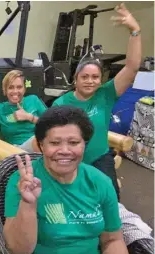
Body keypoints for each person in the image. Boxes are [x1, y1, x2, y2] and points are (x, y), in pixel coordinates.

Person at [3, 106, 153, 254]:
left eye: (74, 142)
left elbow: (112, 239)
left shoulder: (99, 181)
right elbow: (19, 250)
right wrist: (28, 203)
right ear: (41, 145)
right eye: (55, 143)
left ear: (84, 145)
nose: (65, 150)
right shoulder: (22, 182)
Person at [52, 3, 142, 200]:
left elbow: (132, 67)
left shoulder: (106, 94)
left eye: (95, 77)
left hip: (101, 159)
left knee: (110, 201)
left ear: (101, 79)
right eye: (85, 76)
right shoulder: (61, 105)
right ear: (76, 79)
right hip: (71, 162)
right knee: (76, 204)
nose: (90, 81)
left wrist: (135, 31)